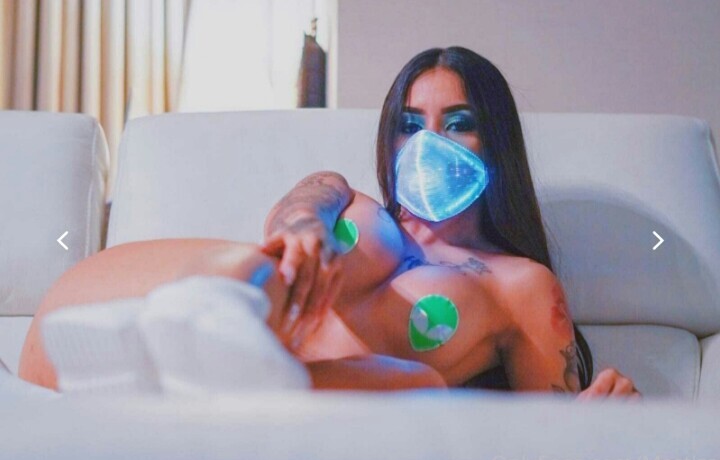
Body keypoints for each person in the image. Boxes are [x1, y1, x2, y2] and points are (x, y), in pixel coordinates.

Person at [19, 46, 640, 399]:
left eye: (458, 123)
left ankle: (198, 361)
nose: (429, 143)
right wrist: (306, 232)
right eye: (410, 124)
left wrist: (608, 444)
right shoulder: (345, 200)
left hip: (287, 401)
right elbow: (299, 207)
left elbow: (543, 451)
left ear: (495, 140)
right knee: (282, 256)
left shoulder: (518, 285)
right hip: (99, 311)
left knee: (419, 384)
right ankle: (203, 325)